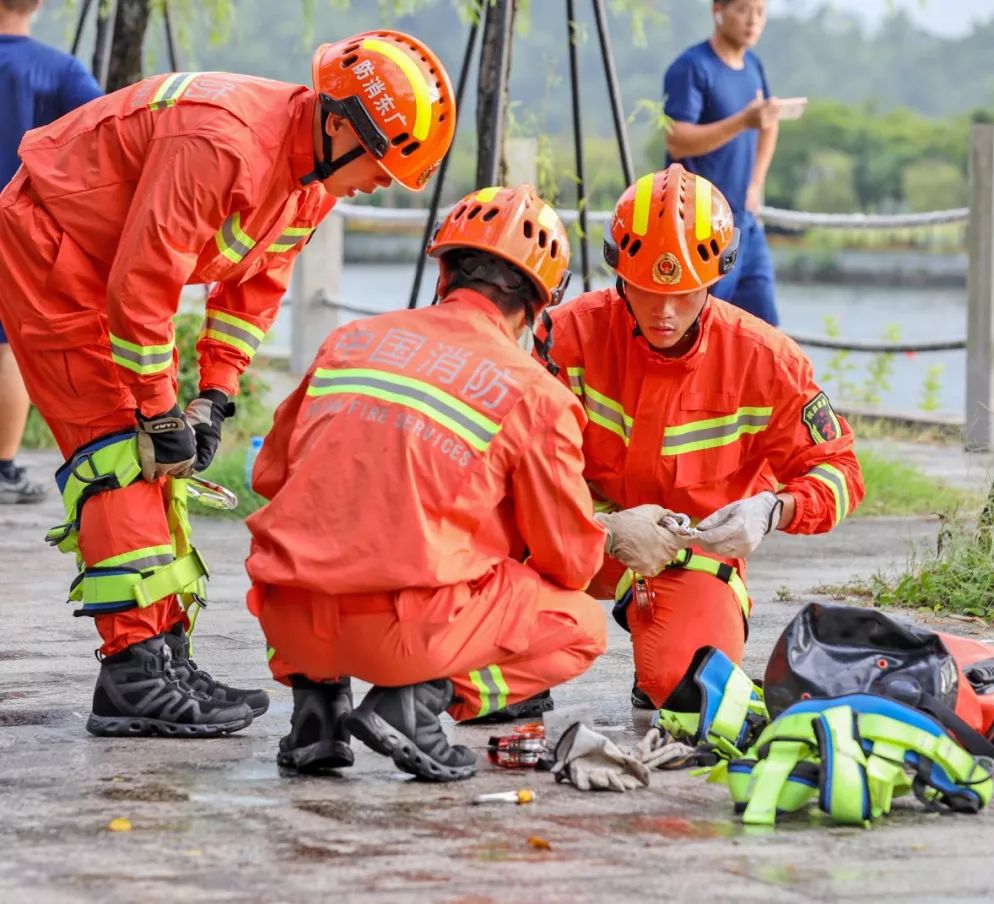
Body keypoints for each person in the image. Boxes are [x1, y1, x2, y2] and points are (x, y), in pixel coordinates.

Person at [0, 29, 456, 738]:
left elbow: (251, 296)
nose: (379, 183)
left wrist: (211, 397)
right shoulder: (224, 143)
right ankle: (133, 674)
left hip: (104, 261)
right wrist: (156, 411)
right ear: (339, 124)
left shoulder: (311, 182)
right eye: (378, 163)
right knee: (119, 449)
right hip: (51, 246)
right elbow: (143, 287)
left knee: (154, 457)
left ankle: (162, 655)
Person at [245, 184, 677, 779]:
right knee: (578, 627)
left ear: (444, 272)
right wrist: (613, 531)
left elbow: (271, 475)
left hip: (286, 621)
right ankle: (418, 705)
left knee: (321, 541)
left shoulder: (348, 342)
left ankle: (317, 713)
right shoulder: (534, 393)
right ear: (536, 305)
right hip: (398, 635)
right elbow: (571, 563)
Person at [547, 163, 865, 712]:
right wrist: (599, 529)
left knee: (689, 691)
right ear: (618, 272)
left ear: (717, 278)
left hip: (689, 555)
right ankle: (512, 665)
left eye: (685, 293)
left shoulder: (764, 360)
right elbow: (494, 465)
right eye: (646, 290)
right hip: (569, 539)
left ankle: (663, 639)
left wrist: (773, 510)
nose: (665, 311)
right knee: (486, 624)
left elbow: (841, 473)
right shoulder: (564, 337)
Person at [0, 0, 101, 503]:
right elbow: (105, 136)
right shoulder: (60, 70)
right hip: (21, 228)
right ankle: (3, 469)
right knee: (7, 347)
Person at [663, 0, 781, 325]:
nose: (752, 21)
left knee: (764, 330)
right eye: (743, 10)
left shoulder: (753, 65)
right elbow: (676, 139)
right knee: (700, 327)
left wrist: (756, 183)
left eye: (760, 12)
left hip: (746, 222)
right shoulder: (692, 67)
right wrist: (742, 121)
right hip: (700, 225)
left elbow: (770, 122)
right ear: (718, 10)